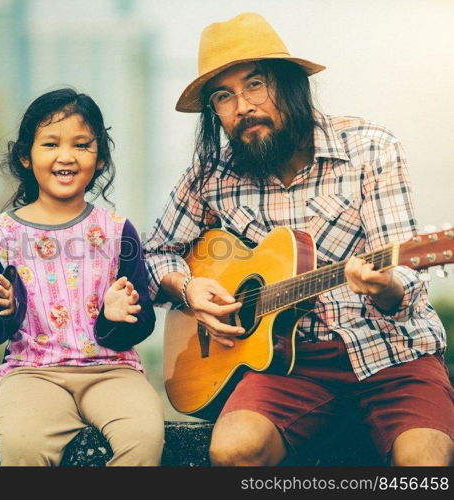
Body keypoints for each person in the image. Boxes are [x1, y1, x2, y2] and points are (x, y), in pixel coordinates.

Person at [143, 13, 453, 466]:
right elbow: (151, 253)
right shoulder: (210, 177)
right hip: (287, 365)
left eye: (255, 85)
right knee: (233, 451)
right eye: (223, 97)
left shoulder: (370, 148)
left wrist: (384, 285)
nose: (242, 106)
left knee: (424, 462)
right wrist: (187, 288)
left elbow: (404, 274)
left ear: (290, 85)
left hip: (392, 354)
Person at [0, 88, 164, 466]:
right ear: (25, 156)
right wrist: (3, 310)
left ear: (100, 158)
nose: (66, 156)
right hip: (32, 374)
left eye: (82, 145)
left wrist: (117, 316)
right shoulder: (3, 234)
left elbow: (144, 319)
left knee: (144, 435)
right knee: (22, 444)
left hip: (112, 371)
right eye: (50, 144)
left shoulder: (118, 230)